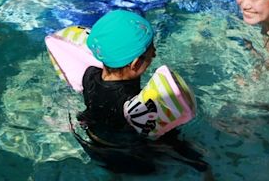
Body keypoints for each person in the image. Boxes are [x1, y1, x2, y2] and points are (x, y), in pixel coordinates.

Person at [74, 9, 209, 175]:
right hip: (128, 157)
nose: (155, 54)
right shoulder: (133, 104)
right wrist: (198, 162)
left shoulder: (89, 75)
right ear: (136, 63)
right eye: (151, 51)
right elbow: (163, 136)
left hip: (95, 144)